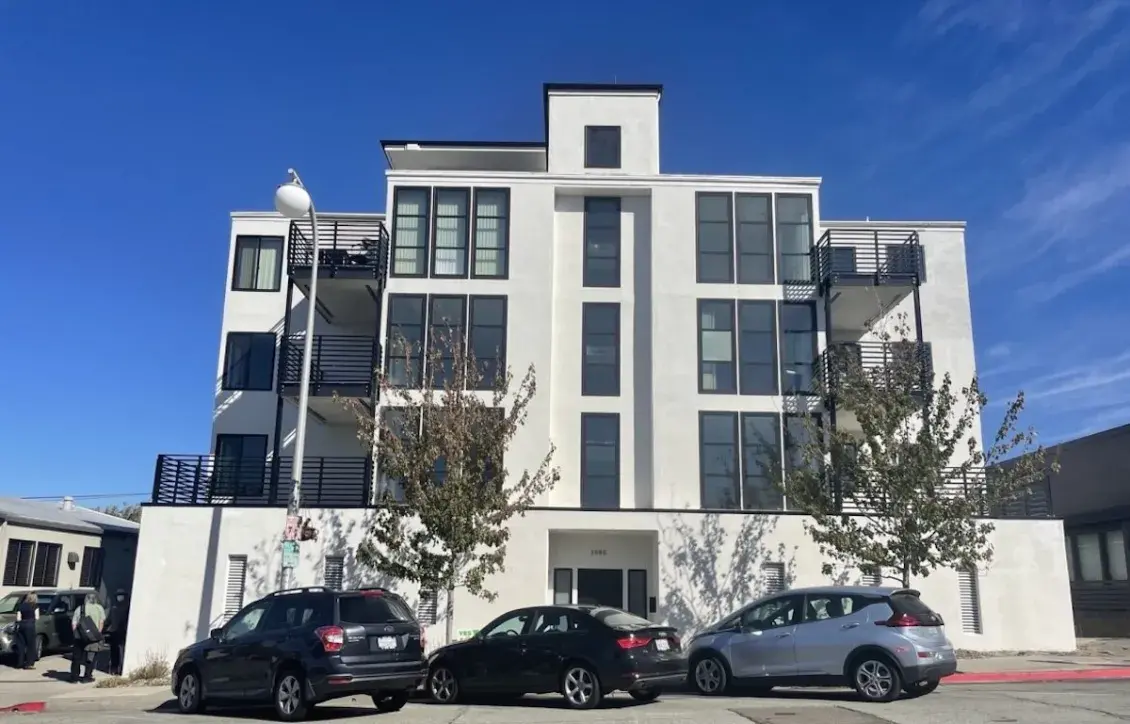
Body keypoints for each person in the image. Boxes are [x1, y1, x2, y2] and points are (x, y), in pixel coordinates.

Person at [69, 592, 106, 683]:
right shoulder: (99, 608)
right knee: (90, 658)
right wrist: (98, 634)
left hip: (80, 637)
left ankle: (74, 677)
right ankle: (87, 677)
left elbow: (74, 623)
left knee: (77, 657)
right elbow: (101, 622)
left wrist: (76, 634)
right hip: (93, 637)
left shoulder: (80, 608)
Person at [104, 589, 130, 676]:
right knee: (114, 652)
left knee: (121, 651)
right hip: (113, 632)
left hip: (122, 632)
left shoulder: (127, 608)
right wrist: (105, 627)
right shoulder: (114, 607)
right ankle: (114, 668)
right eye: (118, 595)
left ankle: (120, 668)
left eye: (121, 595)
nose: (119, 597)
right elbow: (109, 619)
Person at [14, 592, 39, 670]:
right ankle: (29, 663)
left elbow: (18, 618)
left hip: (22, 625)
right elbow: (37, 617)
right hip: (30, 625)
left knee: (21, 645)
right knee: (31, 645)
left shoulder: (20, 606)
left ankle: (19, 663)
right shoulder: (35, 606)